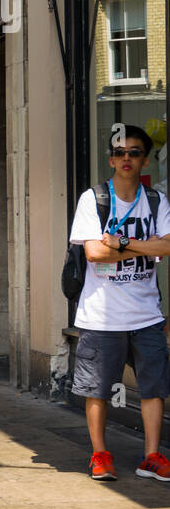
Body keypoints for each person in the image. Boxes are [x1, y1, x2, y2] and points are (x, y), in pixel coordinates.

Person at [68, 126, 170, 481]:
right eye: (121, 152)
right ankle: (99, 454)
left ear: (144, 159)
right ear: (111, 159)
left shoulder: (156, 200)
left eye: (135, 152)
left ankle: (152, 456)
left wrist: (121, 243)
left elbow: (167, 246)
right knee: (97, 389)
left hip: (147, 313)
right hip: (101, 315)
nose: (127, 158)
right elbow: (94, 252)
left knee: (154, 387)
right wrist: (144, 243)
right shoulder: (92, 199)